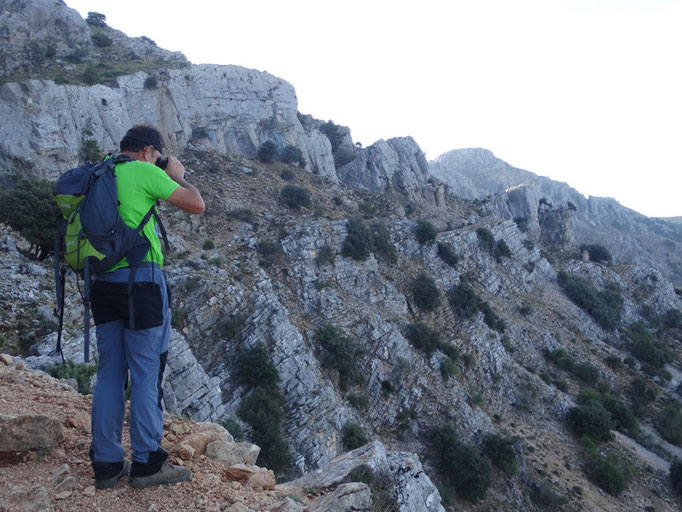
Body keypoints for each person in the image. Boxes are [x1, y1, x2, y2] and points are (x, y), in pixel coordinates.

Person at [89, 125, 205, 489]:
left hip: (101, 284)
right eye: (158, 157)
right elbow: (196, 205)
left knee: (109, 372)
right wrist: (179, 175)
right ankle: (147, 462)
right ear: (148, 151)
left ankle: (106, 464)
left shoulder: (101, 173)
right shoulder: (143, 171)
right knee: (145, 371)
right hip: (140, 284)